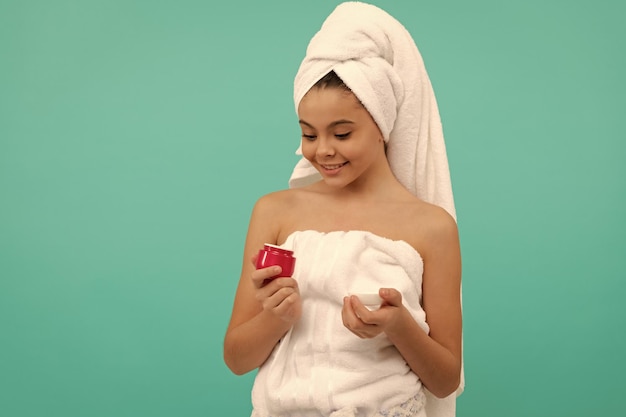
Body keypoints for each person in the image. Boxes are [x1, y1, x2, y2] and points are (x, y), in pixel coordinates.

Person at [223, 2, 463, 417]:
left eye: (342, 132)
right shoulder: (276, 212)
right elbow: (237, 359)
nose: (323, 150)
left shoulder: (431, 227)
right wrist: (277, 317)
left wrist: (398, 326)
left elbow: (445, 380)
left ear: (382, 124)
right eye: (309, 134)